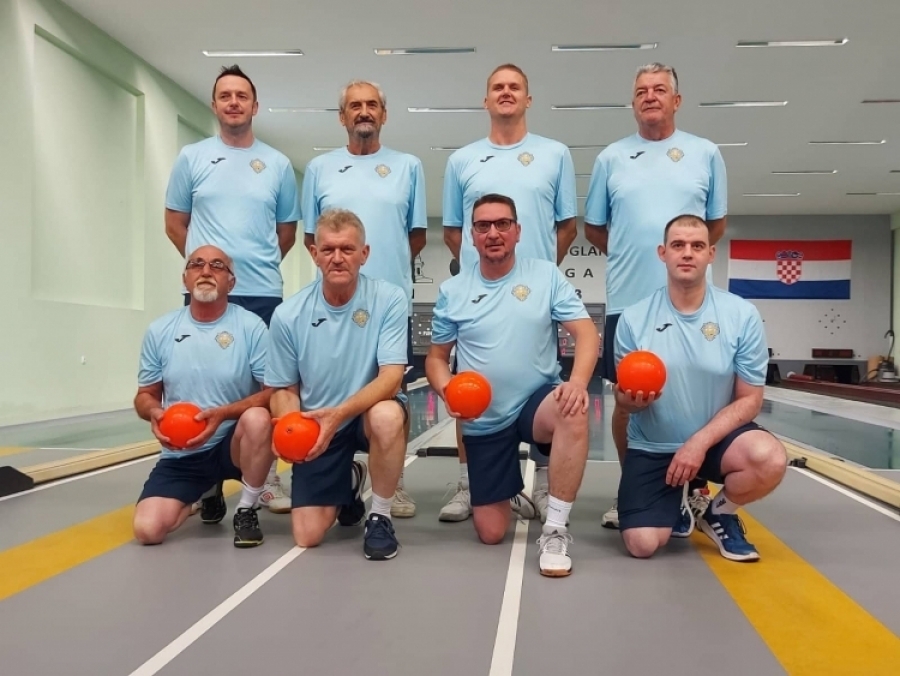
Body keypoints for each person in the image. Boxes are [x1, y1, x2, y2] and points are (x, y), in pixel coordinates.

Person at [584, 62, 728, 533]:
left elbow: (715, 224)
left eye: (660, 89)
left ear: (676, 100)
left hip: (692, 305)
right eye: (642, 90)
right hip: (629, 302)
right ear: (633, 102)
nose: (650, 96)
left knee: (699, 398)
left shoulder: (705, 153)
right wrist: (636, 253)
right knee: (627, 401)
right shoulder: (611, 158)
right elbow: (594, 228)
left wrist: (681, 265)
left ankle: (696, 493)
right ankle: (634, 489)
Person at [426, 194, 597, 576]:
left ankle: (555, 530)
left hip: (537, 402)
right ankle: (508, 493)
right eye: (483, 225)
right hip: (484, 416)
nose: (493, 233)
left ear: (518, 231)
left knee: (572, 409)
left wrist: (578, 383)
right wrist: (446, 387)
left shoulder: (545, 276)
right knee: (490, 533)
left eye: (502, 224)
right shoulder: (453, 291)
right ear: (471, 235)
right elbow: (436, 358)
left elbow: (586, 334)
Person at [441, 63, 578, 523]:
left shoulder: (555, 153)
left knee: (544, 383)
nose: (506, 92)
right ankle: (470, 484)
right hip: (478, 295)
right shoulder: (462, 160)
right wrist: (482, 275)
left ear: (528, 99)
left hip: (534, 295)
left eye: (514, 87)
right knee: (468, 386)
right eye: (497, 87)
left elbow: (567, 226)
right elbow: (454, 231)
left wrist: (535, 276)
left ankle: (544, 485)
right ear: (486, 100)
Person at [165, 64, 301, 518]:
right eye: (225, 95)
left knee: (268, 387)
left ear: (255, 106)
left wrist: (252, 268)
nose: (234, 102)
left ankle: (268, 477)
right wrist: (209, 272)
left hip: (263, 292)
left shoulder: (277, 164)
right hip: (207, 295)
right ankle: (204, 479)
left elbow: (285, 232)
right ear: (214, 105)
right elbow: (175, 222)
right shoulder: (192, 157)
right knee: (202, 380)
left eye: (242, 95)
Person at [613, 215, 787, 561]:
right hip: (653, 445)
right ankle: (675, 501)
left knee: (769, 458)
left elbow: (750, 400)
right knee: (642, 545)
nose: (687, 253)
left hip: (715, 443)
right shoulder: (634, 318)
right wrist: (629, 401)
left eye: (697, 246)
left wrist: (698, 443)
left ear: (711, 254)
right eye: (678, 245)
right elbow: (622, 403)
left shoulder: (741, 315)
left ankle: (719, 512)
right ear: (663, 253)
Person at [301, 79, 426, 519]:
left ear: (384, 114)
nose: (364, 111)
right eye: (355, 105)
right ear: (342, 117)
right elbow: (311, 236)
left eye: (372, 104)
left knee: (393, 395)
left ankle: (395, 483)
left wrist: (383, 280)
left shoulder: (408, 166)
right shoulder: (320, 168)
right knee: (330, 385)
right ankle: (336, 466)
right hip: (334, 303)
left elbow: (415, 236)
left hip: (389, 304)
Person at [266, 209, 409, 561]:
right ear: (314, 254)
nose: (337, 257)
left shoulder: (388, 298)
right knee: (307, 534)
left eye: (347, 249)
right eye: (328, 249)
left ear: (364, 254)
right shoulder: (288, 315)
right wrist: (289, 427)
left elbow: (391, 377)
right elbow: (284, 389)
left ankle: (380, 516)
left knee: (388, 416)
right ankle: (350, 482)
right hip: (317, 424)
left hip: (364, 415)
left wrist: (340, 414)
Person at [132, 246, 274, 548]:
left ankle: (247, 508)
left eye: (217, 266)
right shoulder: (160, 330)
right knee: (147, 530)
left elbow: (272, 393)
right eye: (197, 264)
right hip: (184, 450)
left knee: (258, 418)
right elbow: (145, 395)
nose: (206, 271)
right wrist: (154, 412)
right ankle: (204, 490)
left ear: (231, 282)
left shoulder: (251, 327)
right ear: (185, 278)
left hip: (234, 445)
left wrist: (223, 414)